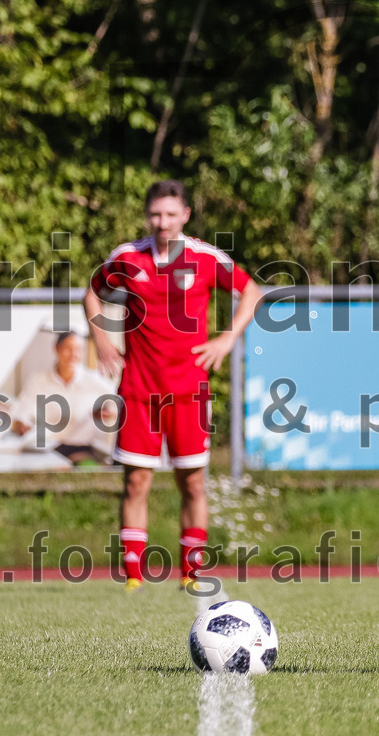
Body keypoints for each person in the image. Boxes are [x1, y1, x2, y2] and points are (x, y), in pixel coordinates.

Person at [84, 179, 263, 592]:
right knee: (136, 481)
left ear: (185, 215)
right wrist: (101, 339)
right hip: (139, 389)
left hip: (189, 390)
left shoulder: (204, 258)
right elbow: (92, 294)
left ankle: (191, 572)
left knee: (193, 482)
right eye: (155, 214)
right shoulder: (128, 258)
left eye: (170, 214)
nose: (161, 222)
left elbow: (251, 291)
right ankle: (133, 577)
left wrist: (227, 338)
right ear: (147, 216)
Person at [0, 331, 117, 466]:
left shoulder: (94, 381)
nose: (74, 355)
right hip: (46, 449)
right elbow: (21, 413)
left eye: (79, 350)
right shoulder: (39, 381)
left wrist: (110, 413)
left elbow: (119, 404)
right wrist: (21, 423)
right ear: (57, 349)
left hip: (82, 450)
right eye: (68, 349)